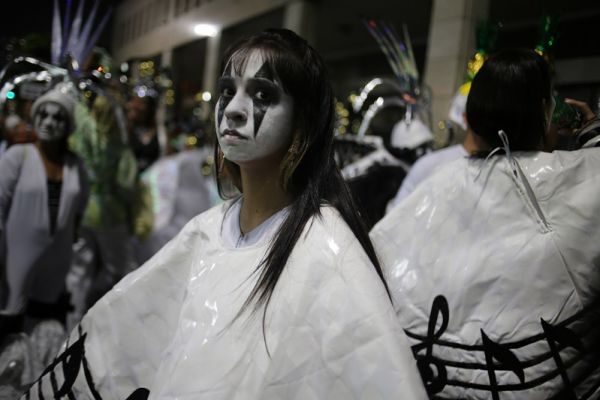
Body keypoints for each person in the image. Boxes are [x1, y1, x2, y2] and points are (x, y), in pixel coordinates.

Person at [25, 29, 427, 399]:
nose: (234, 110)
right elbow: (119, 338)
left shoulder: (327, 248)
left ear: (303, 121)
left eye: (263, 95)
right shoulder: (207, 229)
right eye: (226, 91)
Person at [371, 49, 600, 399]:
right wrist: (593, 134)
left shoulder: (438, 183)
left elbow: (378, 266)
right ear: (543, 111)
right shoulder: (568, 180)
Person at [0, 85, 89, 339]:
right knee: (9, 323)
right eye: (44, 115)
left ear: (68, 125)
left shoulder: (75, 165)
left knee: (42, 331)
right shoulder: (18, 156)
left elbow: (79, 210)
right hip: (12, 259)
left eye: (58, 117)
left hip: (56, 263)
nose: (49, 123)